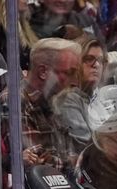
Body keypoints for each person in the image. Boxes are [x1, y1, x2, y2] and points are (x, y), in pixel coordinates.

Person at [16, 37, 81, 174]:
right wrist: (75, 162)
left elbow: (68, 155)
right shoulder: (17, 102)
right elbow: (37, 163)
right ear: (43, 72)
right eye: (69, 73)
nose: (75, 82)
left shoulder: (51, 101)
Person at [54, 37, 107, 162]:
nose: (96, 65)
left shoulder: (99, 99)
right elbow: (86, 145)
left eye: (100, 60)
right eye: (89, 59)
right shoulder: (67, 99)